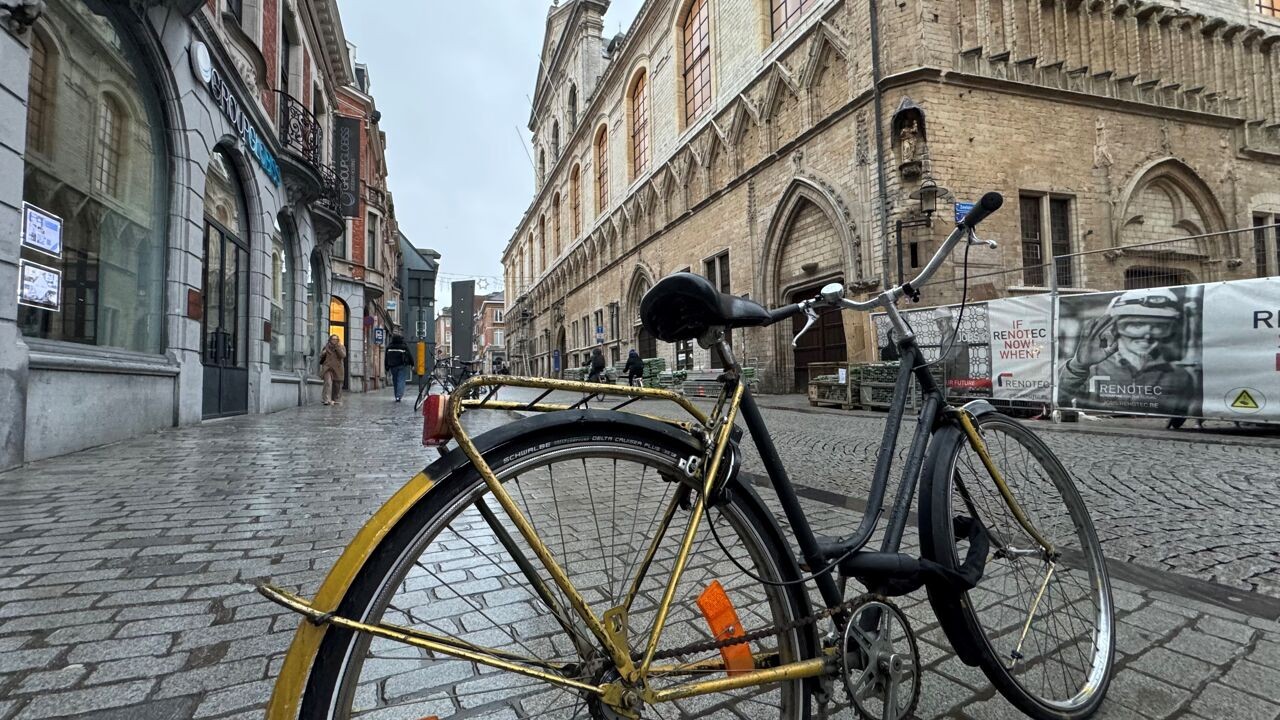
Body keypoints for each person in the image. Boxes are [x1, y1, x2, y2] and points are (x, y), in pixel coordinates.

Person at [1058, 288, 1198, 417]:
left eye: (1159, 326)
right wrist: (1079, 367)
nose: (1147, 335)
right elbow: (1056, 399)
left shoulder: (1181, 377)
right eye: (1136, 325)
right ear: (1115, 328)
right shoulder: (1091, 369)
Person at [384, 333, 414, 403]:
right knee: (401, 380)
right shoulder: (403, 346)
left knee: (395, 381)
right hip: (402, 365)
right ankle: (399, 396)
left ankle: (396, 396)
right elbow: (409, 355)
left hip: (393, 366)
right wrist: (412, 364)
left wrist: (386, 367)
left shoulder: (389, 347)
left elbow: (386, 358)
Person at [319, 334, 346, 406]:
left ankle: (335, 399)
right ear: (330, 340)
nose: (334, 341)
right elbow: (321, 356)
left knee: (337, 385)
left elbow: (343, 355)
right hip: (327, 368)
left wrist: (337, 348)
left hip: (337, 369)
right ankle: (326, 399)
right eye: (333, 339)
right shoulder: (326, 347)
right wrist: (323, 353)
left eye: (336, 339)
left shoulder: (341, 347)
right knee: (328, 383)